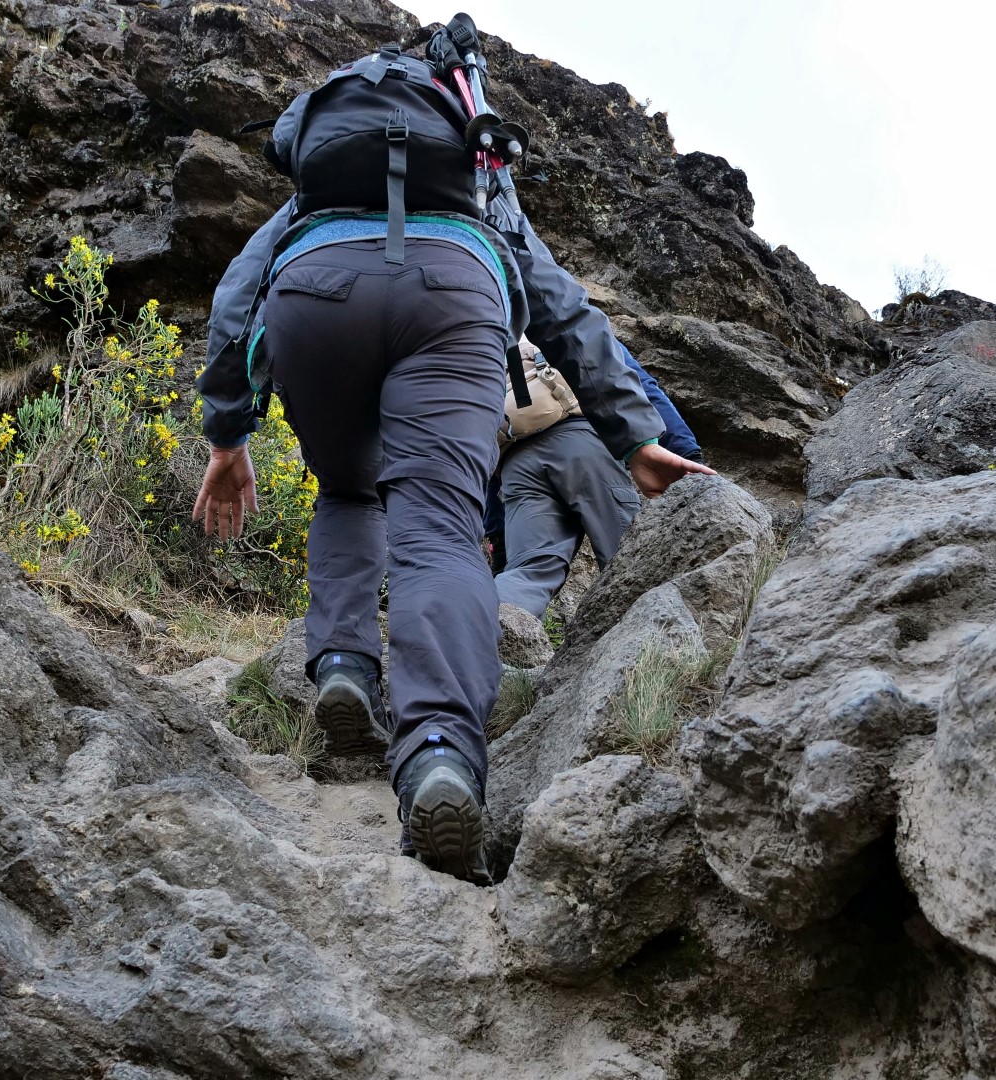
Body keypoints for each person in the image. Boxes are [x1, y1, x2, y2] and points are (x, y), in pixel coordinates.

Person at [191, 19, 711, 883]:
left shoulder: (313, 193)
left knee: (347, 494)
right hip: (456, 294)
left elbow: (237, 290)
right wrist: (636, 438)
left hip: (314, 294)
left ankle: (347, 666)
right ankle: (437, 753)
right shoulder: (479, 179)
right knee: (437, 528)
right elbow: (562, 308)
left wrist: (227, 433)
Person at [491, 343, 707, 618]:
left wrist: (498, 536)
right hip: (582, 442)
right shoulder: (572, 332)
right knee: (627, 555)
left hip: (515, 463)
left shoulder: (491, 357)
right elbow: (641, 386)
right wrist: (689, 454)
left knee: (530, 570)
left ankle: (493, 638)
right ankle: (656, 651)